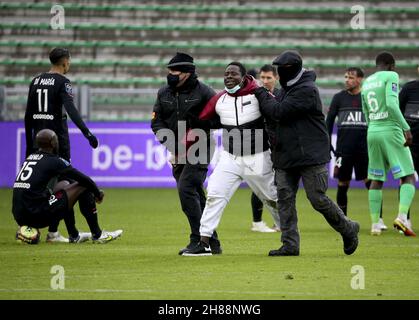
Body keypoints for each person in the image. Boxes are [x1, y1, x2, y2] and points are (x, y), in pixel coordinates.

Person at [254, 50, 360, 256]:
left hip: (310, 154)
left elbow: (278, 112)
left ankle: (348, 228)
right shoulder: (286, 89)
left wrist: (260, 92)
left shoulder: (307, 90)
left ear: (292, 69)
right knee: (284, 199)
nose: (279, 73)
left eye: (282, 69)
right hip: (285, 155)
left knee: (317, 198)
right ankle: (290, 245)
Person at [182, 62, 281, 256]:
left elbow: (276, 115)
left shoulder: (258, 95)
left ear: (243, 77)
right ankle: (204, 242)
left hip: (258, 157)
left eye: (233, 74)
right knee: (214, 195)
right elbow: (203, 119)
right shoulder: (219, 99)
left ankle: (289, 235)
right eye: (226, 74)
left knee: (272, 199)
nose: (228, 77)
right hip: (229, 157)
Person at [24, 47, 99, 242]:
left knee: (41, 184)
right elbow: (72, 111)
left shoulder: (36, 80)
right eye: (69, 61)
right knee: (65, 184)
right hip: (56, 141)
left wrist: (28, 145)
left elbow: (27, 116)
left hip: (38, 140)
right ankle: (55, 232)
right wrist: (87, 133)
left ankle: (41, 230)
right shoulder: (63, 82)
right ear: (65, 62)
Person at [151, 52, 222, 255]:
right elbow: (156, 122)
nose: (171, 74)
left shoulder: (205, 92)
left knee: (186, 189)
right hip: (176, 151)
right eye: (169, 71)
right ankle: (212, 242)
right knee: (197, 195)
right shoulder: (163, 92)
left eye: (175, 71)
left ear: (187, 73)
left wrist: (200, 124)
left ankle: (198, 241)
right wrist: (174, 146)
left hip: (200, 147)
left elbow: (219, 120)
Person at [13, 129, 122, 244]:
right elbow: (83, 179)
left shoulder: (30, 158)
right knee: (83, 186)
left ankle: (74, 235)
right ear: (53, 143)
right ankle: (98, 235)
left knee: (64, 184)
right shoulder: (54, 161)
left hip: (20, 216)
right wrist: (97, 193)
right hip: (37, 214)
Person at [326, 67, 387, 233]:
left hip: (365, 149)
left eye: (351, 77)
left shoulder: (367, 96)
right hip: (344, 150)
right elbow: (329, 120)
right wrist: (327, 142)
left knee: (371, 183)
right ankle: (342, 220)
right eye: (345, 77)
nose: (347, 80)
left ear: (360, 79)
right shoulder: (339, 97)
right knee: (342, 184)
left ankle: (379, 219)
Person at [362, 52, 416, 236]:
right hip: (391, 130)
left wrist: (373, 130)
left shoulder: (367, 82)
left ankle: (375, 224)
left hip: (373, 131)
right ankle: (402, 217)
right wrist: (406, 128)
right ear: (392, 65)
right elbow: (392, 105)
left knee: (376, 179)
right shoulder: (391, 76)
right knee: (408, 176)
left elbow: (365, 111)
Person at [249, 65, 280, 233]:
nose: (265, 81)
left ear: (276, 78)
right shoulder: (256, 97)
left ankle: (279, 221)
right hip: (261, 147)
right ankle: (257, 221)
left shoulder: (282, 96)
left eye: (269, 78)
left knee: (280, 186)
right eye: (263, 78)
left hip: (279, 148)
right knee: (259, 185)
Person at [398, 64, 419, 230]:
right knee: (406, 180)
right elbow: (397, 110)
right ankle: (405, 219)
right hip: (409, 143)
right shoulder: (409, 88)